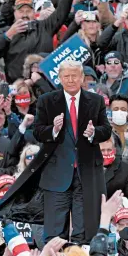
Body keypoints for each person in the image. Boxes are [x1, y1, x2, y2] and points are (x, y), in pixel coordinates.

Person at [29, 60, 111, 244]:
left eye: (75, 75)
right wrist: (54, 130)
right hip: (57, 174)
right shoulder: (47, 101)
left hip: (86, 173)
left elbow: (106, 130)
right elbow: (37, 131)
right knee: (55, 231)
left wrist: (93, 133)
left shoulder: (96, 101)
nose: (71, 80)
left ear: (82, 77)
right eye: (66, 76)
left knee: (84, 231)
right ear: (59, 78)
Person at [0, 0, 75, 83]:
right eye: (21, 11)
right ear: (14, 13)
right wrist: (9, 34)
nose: (24, 15)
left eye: (28, 11)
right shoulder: (5, 31)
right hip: (18, 88)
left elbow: (63, 11)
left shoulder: (45, 26)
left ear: (34, 13)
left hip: (44, 84)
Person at [100, 136, 128, 211]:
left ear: (114, 150)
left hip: (117, 216)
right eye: (102, 150)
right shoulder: (88, 168)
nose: (106, 153)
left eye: (109, 150)